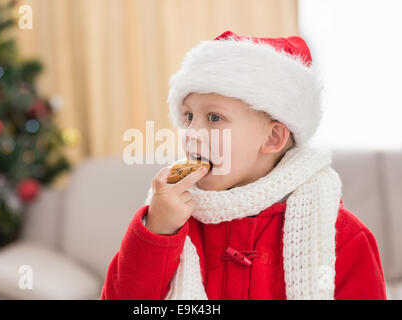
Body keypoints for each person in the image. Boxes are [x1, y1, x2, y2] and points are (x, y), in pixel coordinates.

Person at [100, 30, 386, 300]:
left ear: (273, 137)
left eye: (214, 118)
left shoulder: (342, 236)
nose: (190, 133)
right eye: (187, 117)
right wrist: (158, 232)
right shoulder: (170, 220)